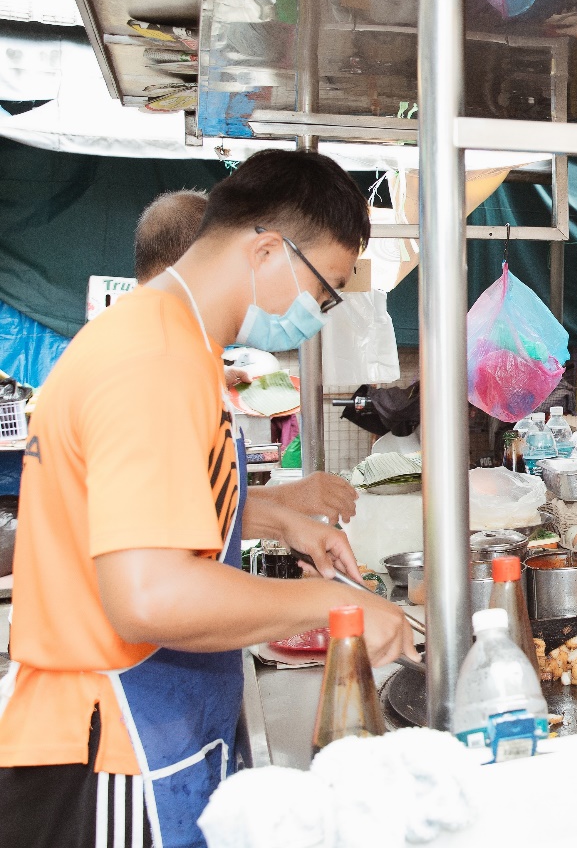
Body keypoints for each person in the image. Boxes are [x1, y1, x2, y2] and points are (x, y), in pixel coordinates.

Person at [0, 150, 416, 848]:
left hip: (148, 729)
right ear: (264, 250)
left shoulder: (166, 339)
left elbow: (133, 505)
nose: (319, 313)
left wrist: (276, 514)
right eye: (326, 289)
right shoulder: (152, 362)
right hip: (115, 747)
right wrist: (335, 605)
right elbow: (150, 596)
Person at [134, 188, 358, 526]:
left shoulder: (185, 357)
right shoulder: (148, 369)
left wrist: (288, 511)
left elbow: (200, 506)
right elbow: (155, 557)